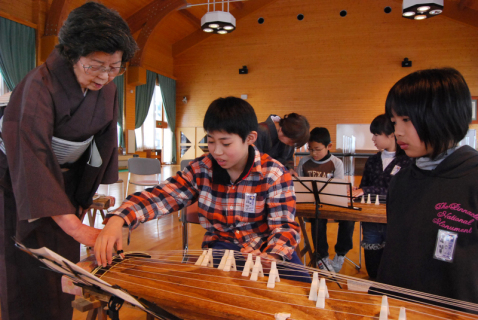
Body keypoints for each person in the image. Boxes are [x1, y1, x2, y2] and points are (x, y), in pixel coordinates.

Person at [0, 3, 138, 320]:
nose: (105, 76)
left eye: (115, 67)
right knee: (24, 266)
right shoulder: (38, 85)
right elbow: (30, 153)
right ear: (72, 54)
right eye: (95, 66)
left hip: (65, 184)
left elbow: (102, 146)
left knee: (61, 267)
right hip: (18, 182)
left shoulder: (108, 90)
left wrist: (79, 202)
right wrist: (76, 227)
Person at [95, 97, 308, 282]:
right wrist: (119, 218)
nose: (216, 151)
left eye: (225, 143)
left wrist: (272, 256)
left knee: (304, 292)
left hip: (264, 247)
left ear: (250, 138)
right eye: (211, 141)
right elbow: (163, 195)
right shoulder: (202, 169)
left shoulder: (274, 173)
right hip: (222, 247)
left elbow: (285, 226)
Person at [376, 68, 478, 309]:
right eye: (394, 122)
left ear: (444, 116)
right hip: (398, 309)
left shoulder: (472, 178)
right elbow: (395, 254)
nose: (398, 131)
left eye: (407, 120)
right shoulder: (402, 180)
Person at [351, 114, 411, 279]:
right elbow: (365, 186)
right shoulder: (372, 160)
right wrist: (358, 190)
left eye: (376, 134)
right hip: (370, 218)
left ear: (391, 134)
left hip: (394, 218)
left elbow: (398, 190)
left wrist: (366, 190)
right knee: (372, 261)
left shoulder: (406, 160)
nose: (373, 138)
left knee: (392, 260)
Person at [296, 127, 351, 273]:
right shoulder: (304, 162)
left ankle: (340, 254)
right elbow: (300, 187)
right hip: (313, 206)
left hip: (332, 204)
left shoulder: (336, 163)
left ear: (329, 146)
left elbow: (338, 188)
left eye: (318, 149)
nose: (313, 153)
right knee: (317, 218)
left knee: (349, 218)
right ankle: (322, 256)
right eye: (310, 149)